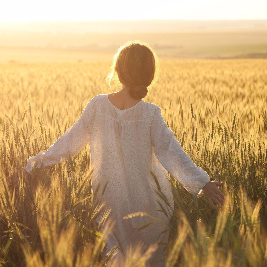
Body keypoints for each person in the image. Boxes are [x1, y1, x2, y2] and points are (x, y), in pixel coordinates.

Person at [25, 41, 225, 266]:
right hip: (149, 207)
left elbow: (70, 141)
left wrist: (38, 162)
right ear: (150, 76)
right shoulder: (150, 114)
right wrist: (202, 183)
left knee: (114, 260)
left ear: (118, 71)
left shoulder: (97, 106)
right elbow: (172, 153)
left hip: (108, 204)